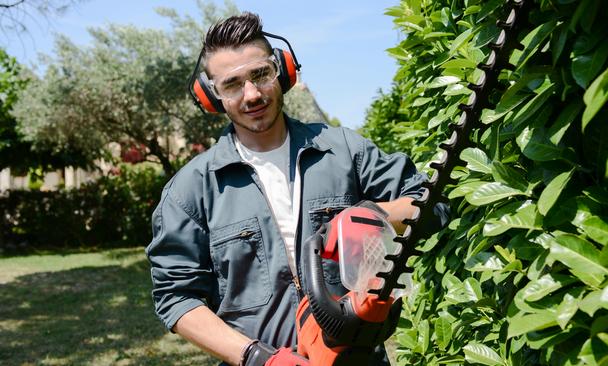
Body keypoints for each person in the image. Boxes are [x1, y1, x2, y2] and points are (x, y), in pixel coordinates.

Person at [146, 12, 427, 366]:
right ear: (211, 95)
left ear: (283, 70)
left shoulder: (342, 150)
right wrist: (258, 357)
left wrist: (371, 214)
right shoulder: (191, 190)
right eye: (232, 84)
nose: (251, 94)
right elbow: (177, 298)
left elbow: (427, 202)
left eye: (260, 74)